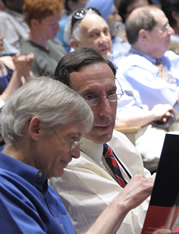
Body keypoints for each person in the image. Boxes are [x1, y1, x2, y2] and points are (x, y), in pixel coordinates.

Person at [0, 76, 156, 233]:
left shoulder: (41, 181)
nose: (76, 153)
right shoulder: (4, 191)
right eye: (72, 139)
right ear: (36, 128)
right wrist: (120, 203)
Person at [48, 47, 154, 234]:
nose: (106, 111)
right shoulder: (65, 164)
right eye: (91, 97)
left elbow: (149, 193)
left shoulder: (117, 141)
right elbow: (130, 227)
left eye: (111, 94)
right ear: (64, 102)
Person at [63, 7, 177, 172]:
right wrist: (154, 113)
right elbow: (110, 119)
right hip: (129, 136)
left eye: (106, 32)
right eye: (95, 35)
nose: (104, 39)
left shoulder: (113, 65)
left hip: (146, 131)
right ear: (75, 44)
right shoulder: (73, 77)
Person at [117, 5, 179, 110]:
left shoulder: (168, 56)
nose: (171, 31)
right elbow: (173, 102)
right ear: (144, 36)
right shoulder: (132, 67)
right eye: (164, 28)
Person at [20, 0, 67, 77]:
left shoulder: (57, 47)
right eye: (52, 24)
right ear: (34, 23)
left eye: (57, 23)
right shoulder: (27, 56)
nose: (58, 28)